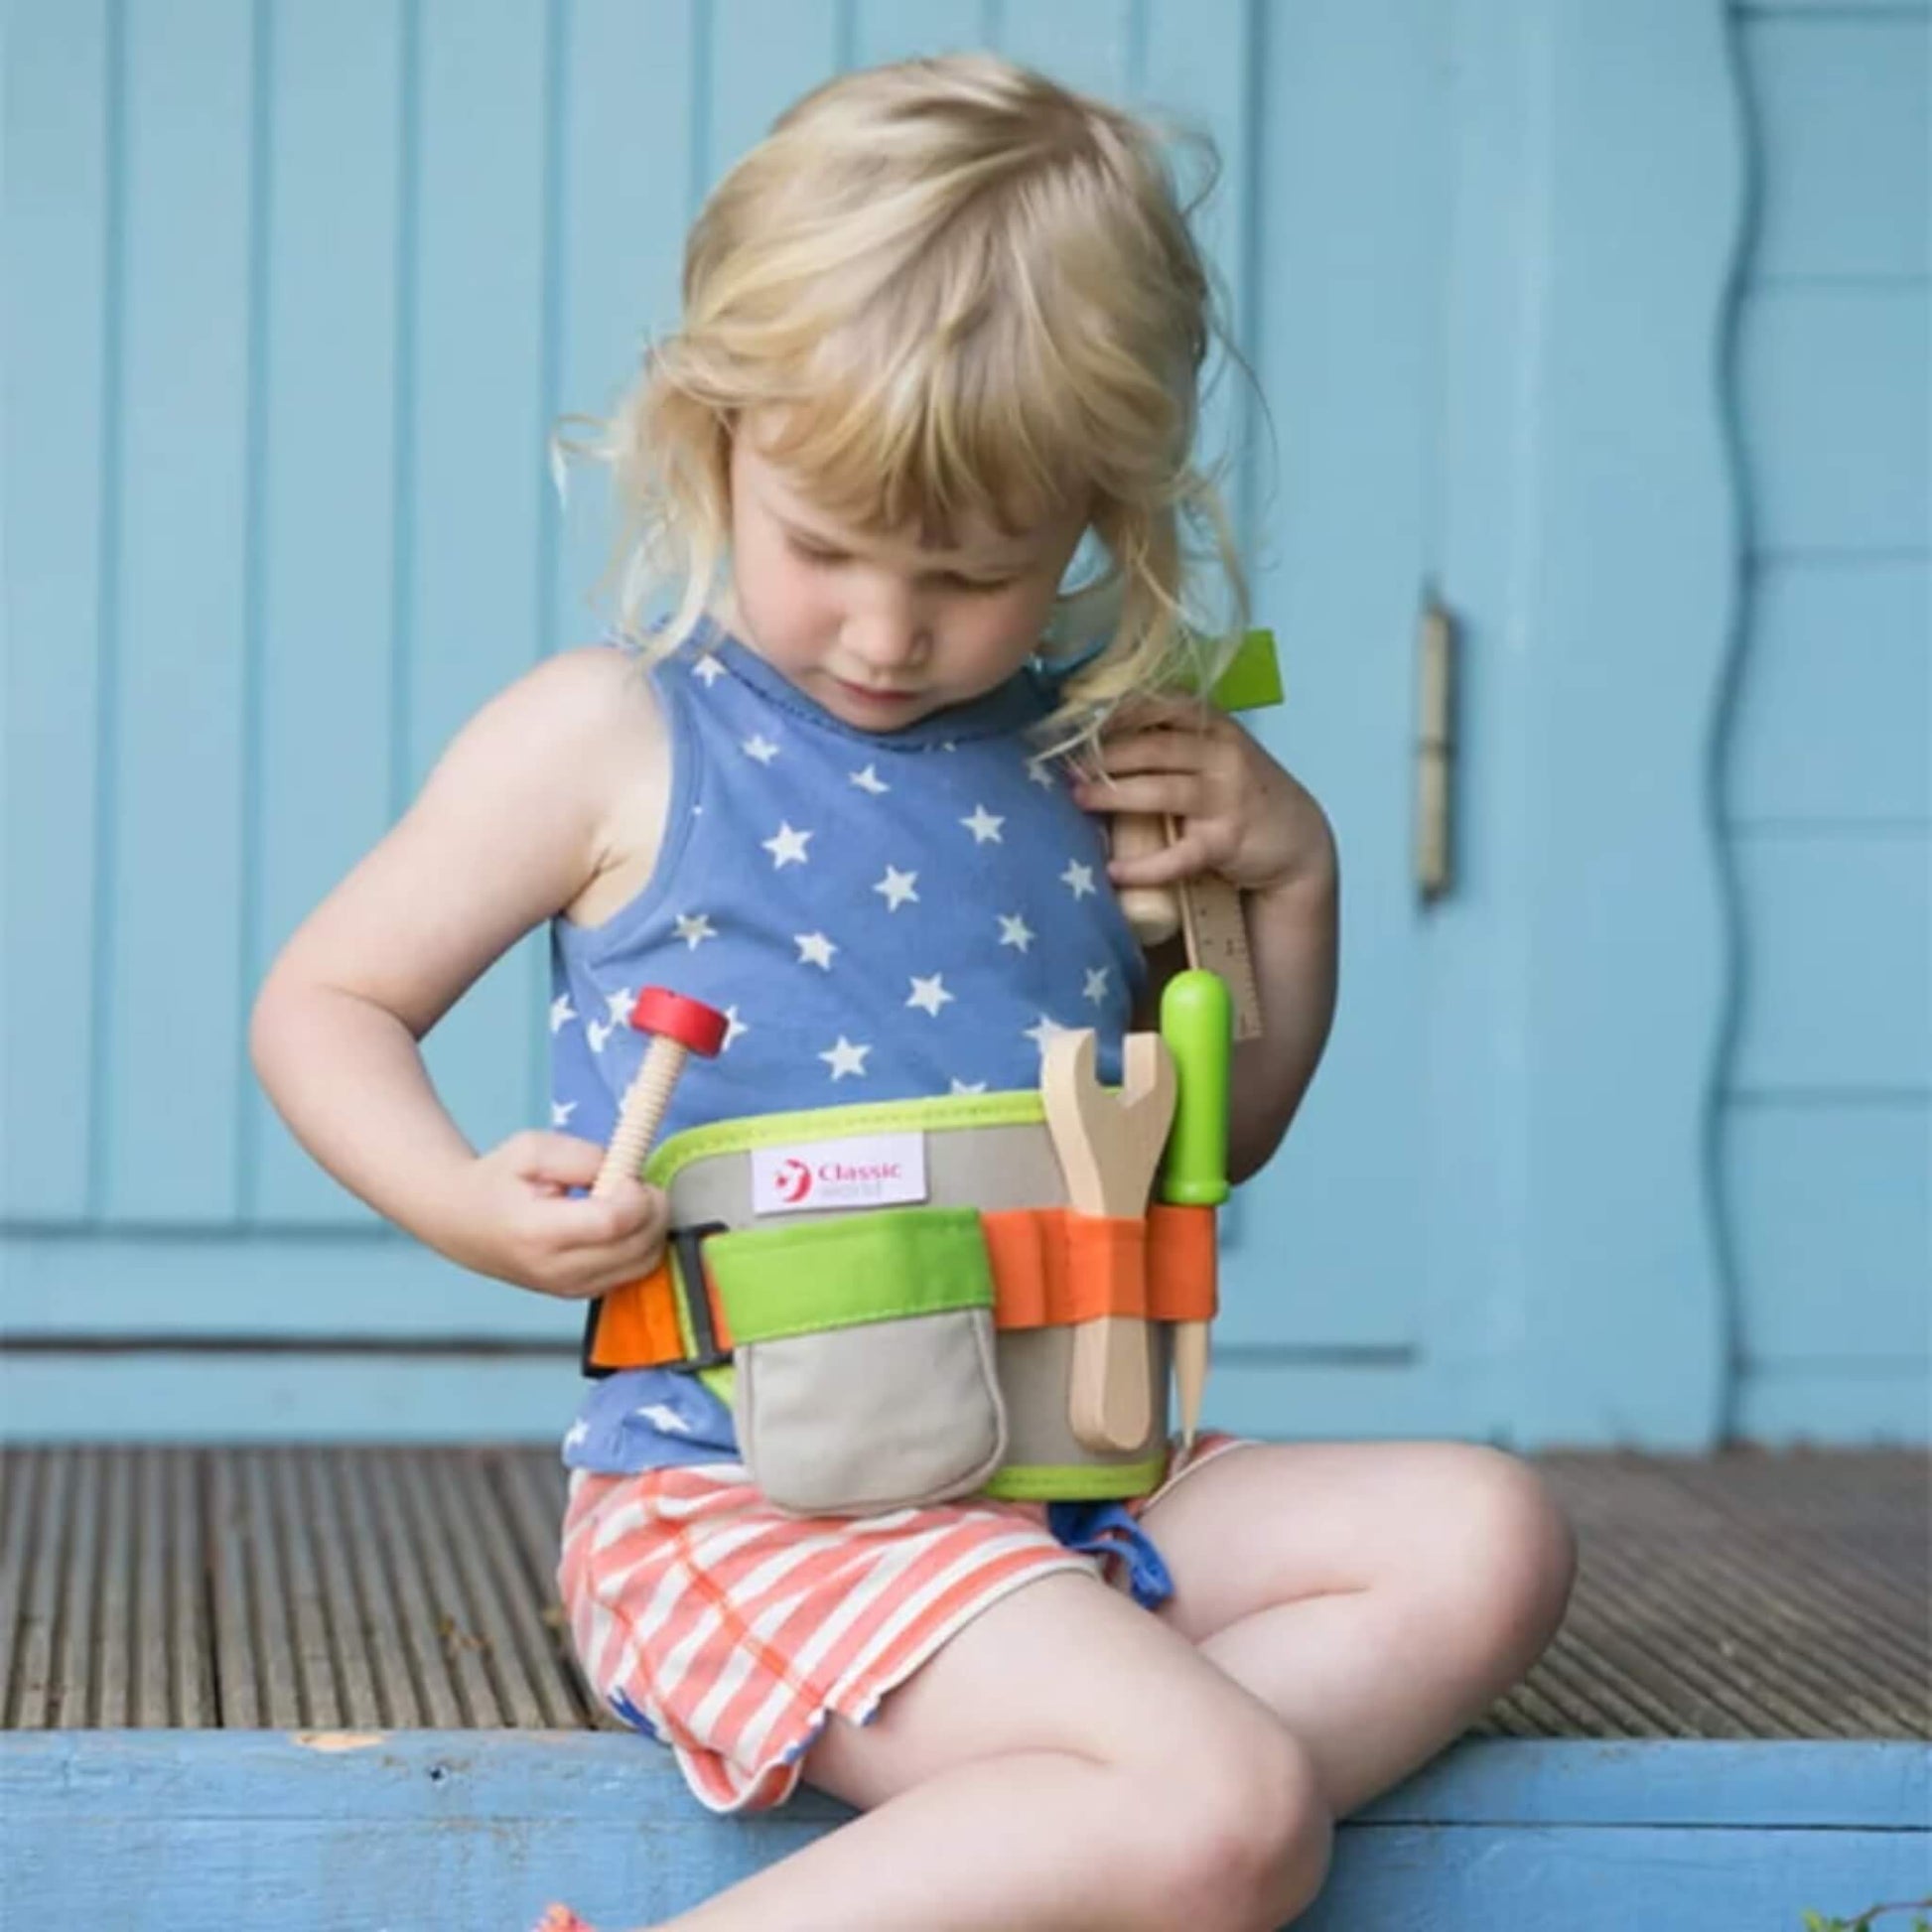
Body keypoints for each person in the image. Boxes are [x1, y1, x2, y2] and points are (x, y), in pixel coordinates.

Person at [250, 53, 1576, 1932]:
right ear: (710, 437)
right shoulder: (612, 737)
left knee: (1486, 1536)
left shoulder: (1099, 763)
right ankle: (1150, 1818)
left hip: (1070, 1487)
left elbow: (1213, 1145)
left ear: (1101, 517)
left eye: (969, 571)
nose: (884, 630)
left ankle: (1068, 1829)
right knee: (1233, 1815)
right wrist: (467, 1198)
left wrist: (1294, 884)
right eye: (824, 547)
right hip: (755, 1510)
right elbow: (323, 1002)